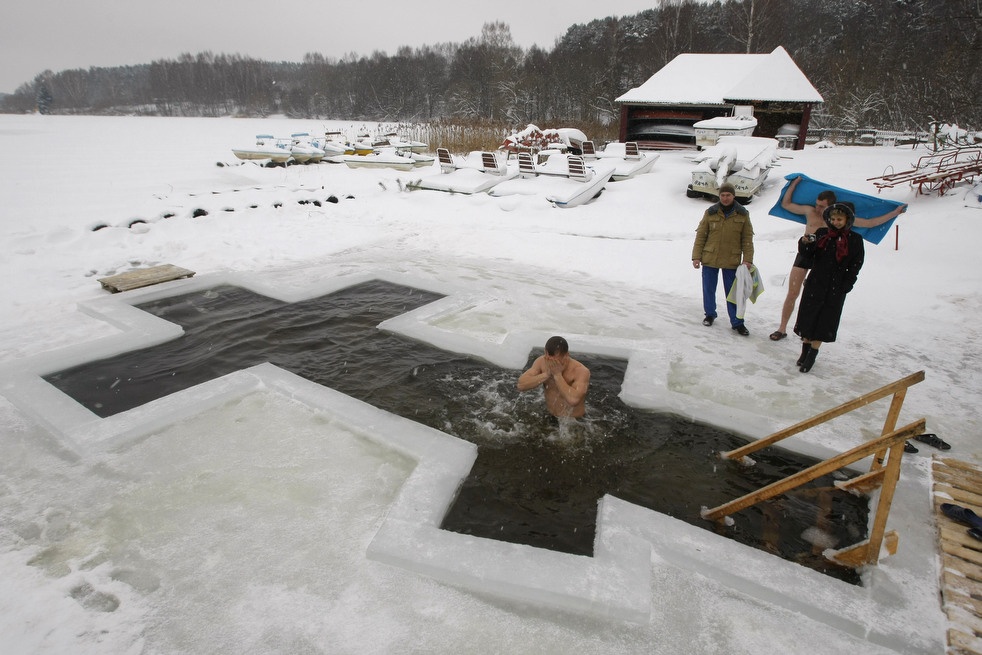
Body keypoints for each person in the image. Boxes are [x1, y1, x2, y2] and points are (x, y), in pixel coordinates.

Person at [770, 176, 906, 341]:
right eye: (817, 204)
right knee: (792, 293)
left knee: (814, 299)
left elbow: (870, 223)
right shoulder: (810, 211)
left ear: (831, 207)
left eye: (822, 206)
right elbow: (786, 204)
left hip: (823, 259)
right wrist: (795, 183)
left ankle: (808, 331)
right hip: (805, 253)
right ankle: (782, 328)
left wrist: (895, 212)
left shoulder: (837, 220)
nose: (818, 208)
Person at [793, 202, 865, 372]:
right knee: (808, 319)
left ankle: (812, 355)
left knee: (824, 322)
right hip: (815, 283)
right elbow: (807, 255)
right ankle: (804, 352)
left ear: (848, 219)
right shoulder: (822, 234)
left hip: (835, 287)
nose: (836, 222)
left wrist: (846, 285)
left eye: (839, 219)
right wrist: (805, 243)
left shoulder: (855, 240)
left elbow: (856, 265)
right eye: (833, 219)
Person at [691, 182, 755, 336]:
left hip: (731, 260)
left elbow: (747, 239)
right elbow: (701, 235)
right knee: (708, 289)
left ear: (734, 196)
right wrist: (696, 256)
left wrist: (747, 259)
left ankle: (737, 322)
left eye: (728, 195)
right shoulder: (710, 212)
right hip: (710, 257)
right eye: (723, 195)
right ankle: (710, 314)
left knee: (733, 293)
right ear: (719, 196)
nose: (725, 198)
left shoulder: (742, 214)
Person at [517, 336, 590, 418]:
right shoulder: (542, 361)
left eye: (555, 361)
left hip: (574, 421)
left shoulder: (580, 371)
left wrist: (557, 375)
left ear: (566, 355)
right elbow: (521, 385)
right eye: (548, 358)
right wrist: (547, 374)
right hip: (550, 415)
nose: (550, 363)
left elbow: (574, 400)